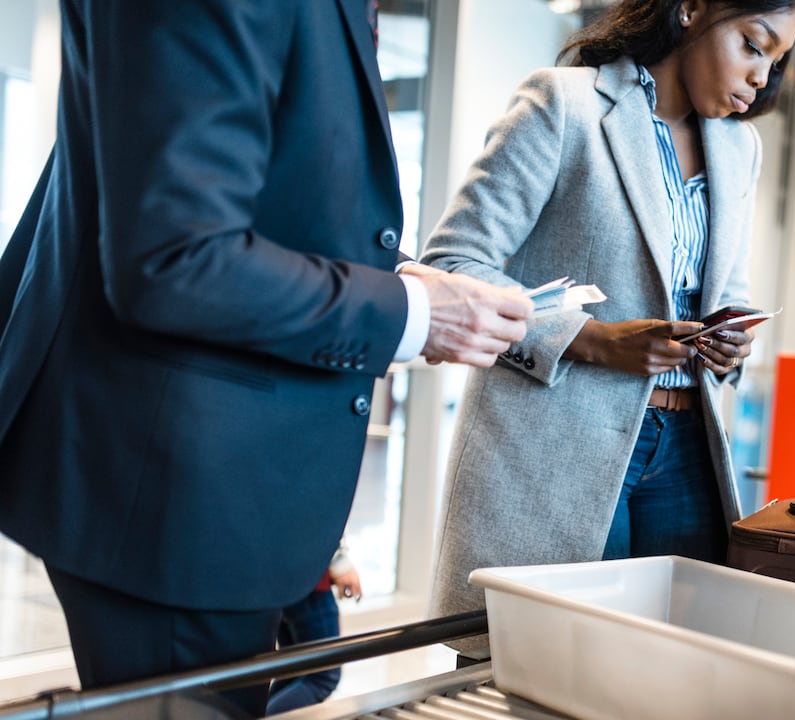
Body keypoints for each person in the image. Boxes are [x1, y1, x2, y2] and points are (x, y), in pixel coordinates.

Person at [0, 2, 531, 716]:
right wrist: (412, 316)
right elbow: (176, 257)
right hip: (168, 494)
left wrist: (404, 280)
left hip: (214, 481)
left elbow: (272, 206)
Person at [422, 0, 795, 659]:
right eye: (752, 44)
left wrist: (731, 343)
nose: (760, 77)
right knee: (548, 664)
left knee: (673, 668)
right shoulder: (562, 105)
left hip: (687, 448)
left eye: (775, 61)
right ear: (692, 10)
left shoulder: (740, 148)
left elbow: (727, 290)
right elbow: (453, 266)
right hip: (557, 445)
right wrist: (596, 341)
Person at [266, 543, 362, 715]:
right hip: (310, 579)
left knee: (293, 672)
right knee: (323, 677)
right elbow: (321, 526)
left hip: (280, 576)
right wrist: (339, 561)